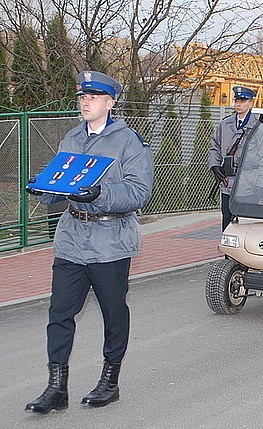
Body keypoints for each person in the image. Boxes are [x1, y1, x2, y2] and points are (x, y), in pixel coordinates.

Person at [24, 71, 154, 413]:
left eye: (93, 97)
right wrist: (42, 188)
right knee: (60, 313)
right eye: (83, 96)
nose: (85, 101)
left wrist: (101, 193)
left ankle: (109, 382)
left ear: (110, 103)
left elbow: (140, 192)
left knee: (113, 313)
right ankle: (56, 388)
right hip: (71, 239)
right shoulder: (71, 138)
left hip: (110, 241)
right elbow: (61, 186)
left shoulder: (129, 142)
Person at [208, 86, 263, 231]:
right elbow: (215, 147)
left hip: (249, 183)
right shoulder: (224, 124)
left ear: (250, 103)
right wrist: (214, 166)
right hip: (228, 182)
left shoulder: (260, 128)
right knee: (227, 219)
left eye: (243, 101)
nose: (239, 104)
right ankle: (228, 252)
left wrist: (261, 186)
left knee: (245, 223)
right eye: (237, 100)